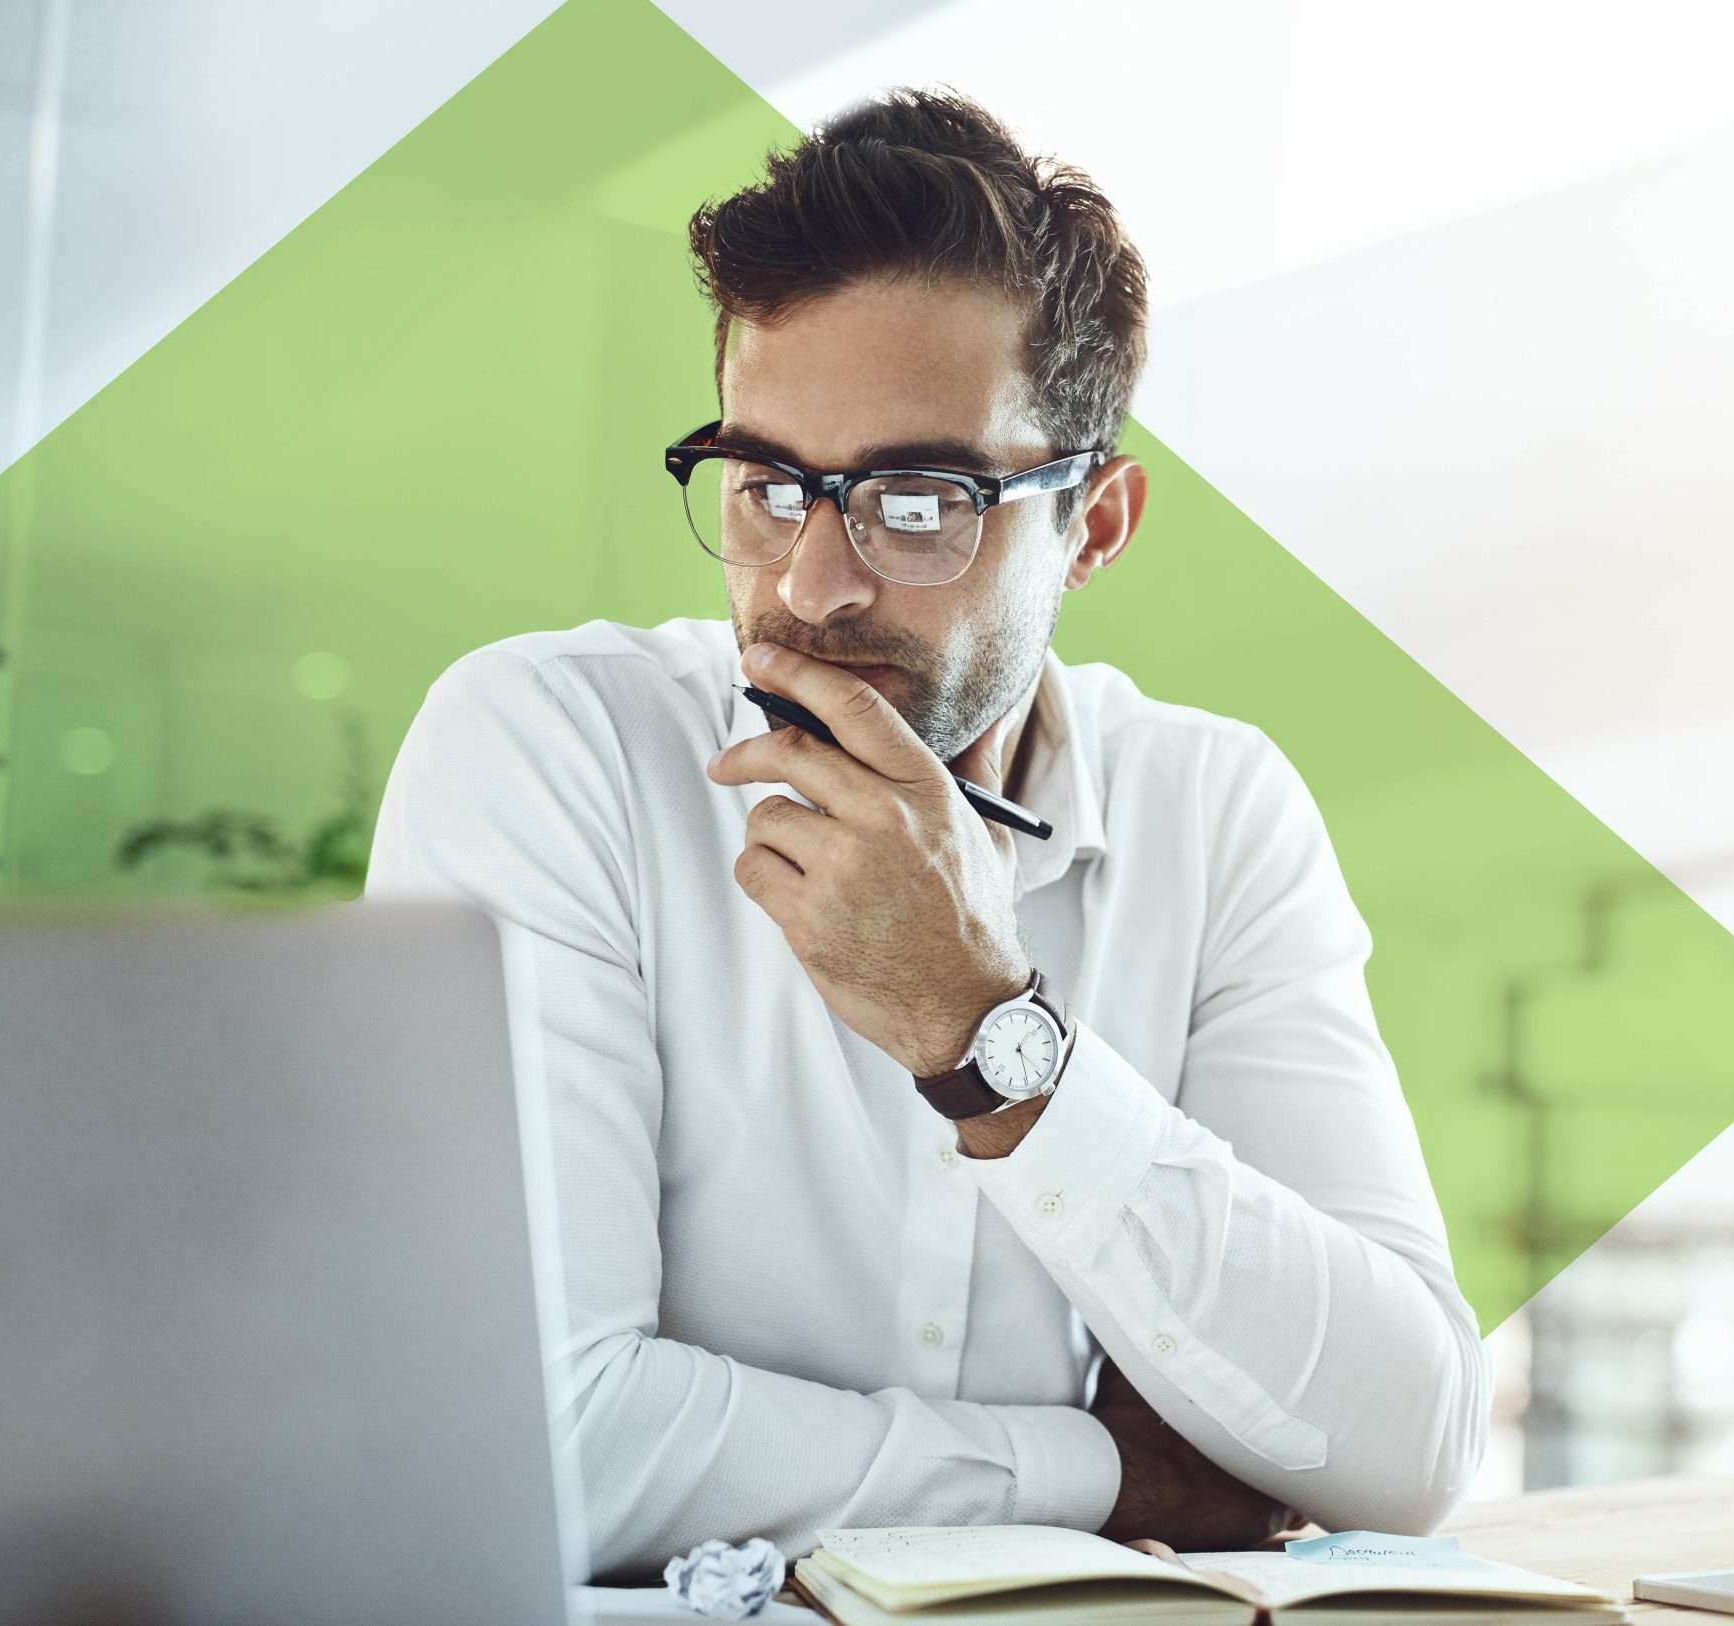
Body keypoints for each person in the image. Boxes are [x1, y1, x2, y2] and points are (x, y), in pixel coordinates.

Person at [366, 87, 1488, 1582]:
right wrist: (1102, 1472)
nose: (811, 583)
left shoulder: (1216, 809)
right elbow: (520, 1440)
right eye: (769, 486)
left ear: (1093, 525)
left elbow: (1407, 1441)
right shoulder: (550, 752)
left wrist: (988, 1036)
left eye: (916, 501)